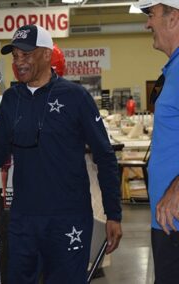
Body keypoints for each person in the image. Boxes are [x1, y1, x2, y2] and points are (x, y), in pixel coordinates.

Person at [0, 24, 122, 284]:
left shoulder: (75, 97)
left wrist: (113, 213)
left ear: (47, 54)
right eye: (15, 56)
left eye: (26, 54)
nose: (19, 62)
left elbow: (105, 155)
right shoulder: (12, 99)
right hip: (24, 220)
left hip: (69, 219)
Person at [134, 1, 179, 283]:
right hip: (168, 221)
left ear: (173, 19)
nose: (147, 24)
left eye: (151, 16)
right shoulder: (173, 69)